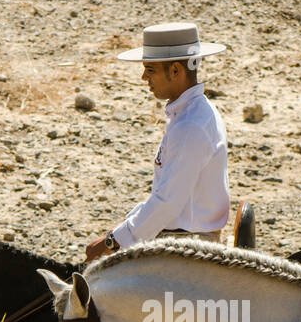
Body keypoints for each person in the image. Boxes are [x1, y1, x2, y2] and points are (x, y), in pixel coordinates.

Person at [85, 21, 230, 262]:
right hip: (184, 239)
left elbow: (167, 204)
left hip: (188, 250)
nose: (144, 77)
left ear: (175, 70)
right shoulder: (192, 115)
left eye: (150, 69)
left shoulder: (190, 125)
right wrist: (121, 229)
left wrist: (112, 241)